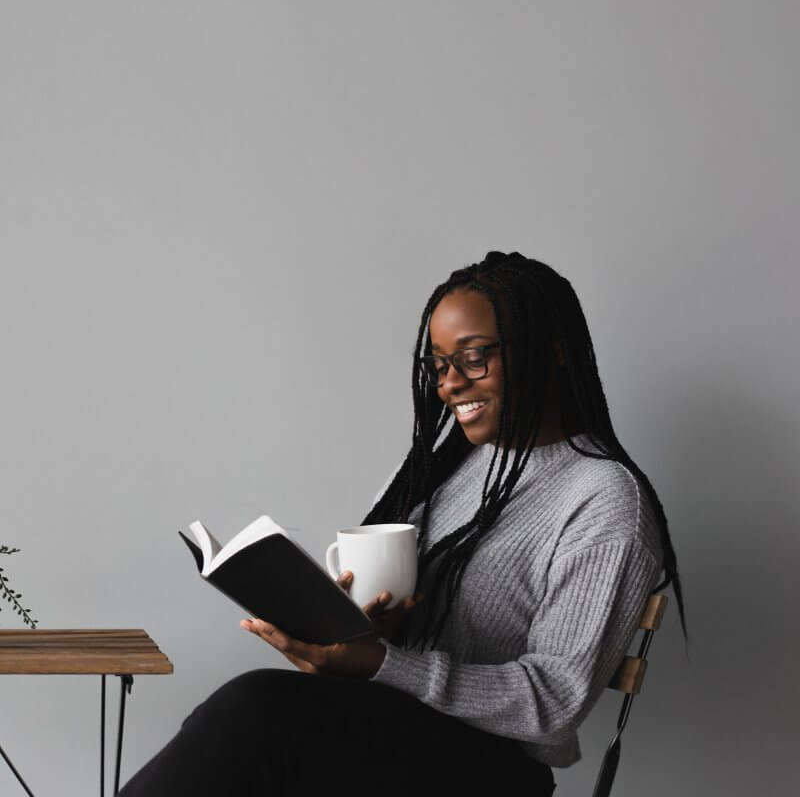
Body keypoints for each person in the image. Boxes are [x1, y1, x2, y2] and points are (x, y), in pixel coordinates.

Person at [119, 251, 686, 796]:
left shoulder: (604, 500)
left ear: (553, 350)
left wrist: (385, 664)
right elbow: (406, 640)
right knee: (234, 731)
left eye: (473, 357)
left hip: (489, 771)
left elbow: (554, 702)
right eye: (438, 365)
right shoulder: (443, 468)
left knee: (255, 713)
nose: (449, 384)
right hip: (395, 734)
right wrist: (359, 638)